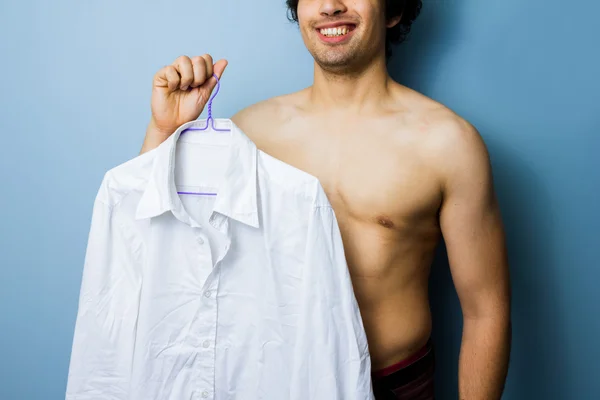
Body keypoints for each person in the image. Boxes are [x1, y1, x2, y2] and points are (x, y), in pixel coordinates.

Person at [138, 0, 511, 398]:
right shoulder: (248, 134)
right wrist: (165, 131)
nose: (331, 6)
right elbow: (159, 253)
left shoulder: (448, 144)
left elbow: (485, 311)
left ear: (394, 10)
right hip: (271, 381)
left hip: (394, 382)